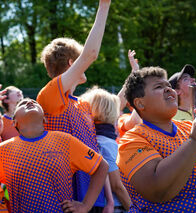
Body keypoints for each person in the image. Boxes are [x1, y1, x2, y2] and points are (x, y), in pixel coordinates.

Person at [117, 67, 196, 212]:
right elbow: (157, 190)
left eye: (168, 85)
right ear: (140, 103)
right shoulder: (132, 139)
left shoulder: (190, 127)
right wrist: (193, 141)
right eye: (159, 87)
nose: (168, 89)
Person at [36, 0, 111, 212]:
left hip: (91, 199)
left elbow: (95, 153)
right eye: (80, 61)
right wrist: (104, 7)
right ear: (71, 63)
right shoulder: (50, 95)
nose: (86, 63)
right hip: (66, 200)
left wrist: (108, 200)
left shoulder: (83, 106)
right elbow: (91, 54)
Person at [0, 98, 108, 212]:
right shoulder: (4, 150)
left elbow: (102, 166)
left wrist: (86, 205)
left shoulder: (65, 140)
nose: (29, 102)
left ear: (44, 119)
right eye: (22, 104)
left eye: (35, 103)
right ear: (14, 122)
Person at [81, 87, 131, 212]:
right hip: (115, 207)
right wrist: (134, 209)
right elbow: (116, 186)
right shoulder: (106, 143)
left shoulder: (89, 139)